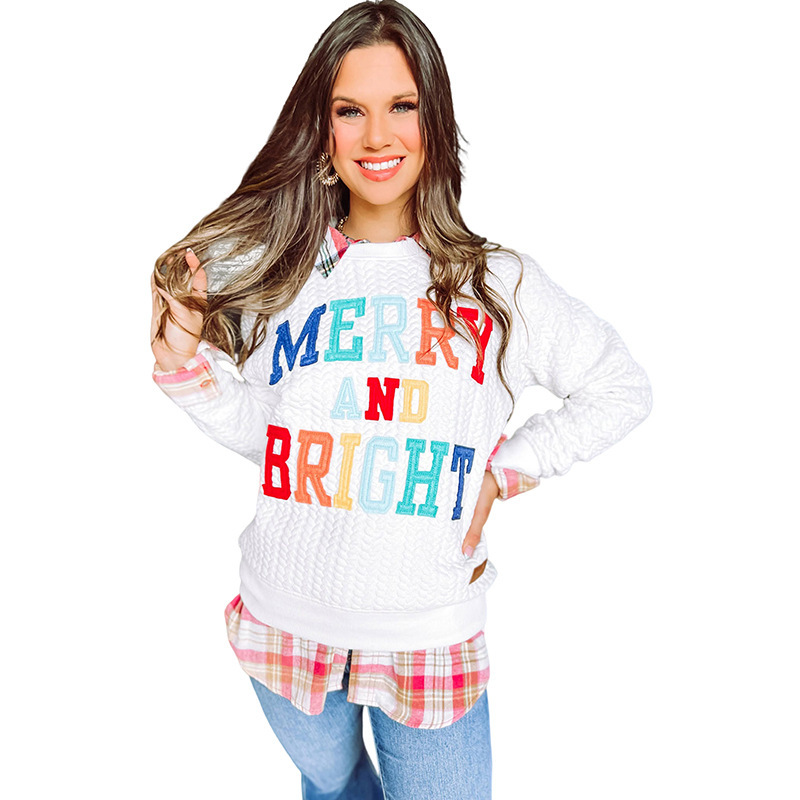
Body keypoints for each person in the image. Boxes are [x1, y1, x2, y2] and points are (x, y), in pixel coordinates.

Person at [149, 1, 652, 797]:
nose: (377, 136)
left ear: (434, 120)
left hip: (428, 637)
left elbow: (620, 389)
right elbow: (273, 436)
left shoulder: (497, 283)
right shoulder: (288, 274)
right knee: (334, 784)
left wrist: (506, 470)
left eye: (402, 106)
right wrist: (188, 369)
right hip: (284, 622)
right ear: (322, 131)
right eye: (350, 110)